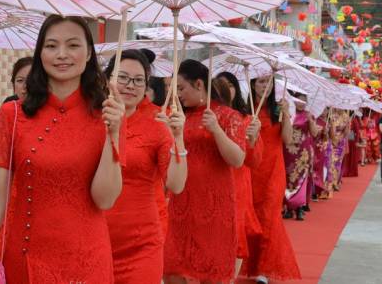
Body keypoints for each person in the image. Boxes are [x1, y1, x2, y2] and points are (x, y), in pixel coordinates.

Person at [0, 15, 126, 284]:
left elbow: (105, 199)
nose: (61, 54)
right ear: (40, 52)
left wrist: (113, 134)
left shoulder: (108, 115)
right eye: (51, 45)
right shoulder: (13, 114)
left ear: (89, 53)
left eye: (73, 45)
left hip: (87, 262)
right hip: (25, 258)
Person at [103, 50, 188, 284]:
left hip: (143, 243)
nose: (130, 85)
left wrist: (178, 138)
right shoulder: (92, 118)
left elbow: (176, 183)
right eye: (122, 77)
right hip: (96, 236)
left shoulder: (158, 122)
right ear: (107, 79)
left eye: (138, 80)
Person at [163, 60, 246, 284]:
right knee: (174, 268)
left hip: (213, 206)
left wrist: (217, 130)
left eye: (181, 88)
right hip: (180, 202)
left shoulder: (228, 116)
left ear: (199, 84)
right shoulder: (181, 117)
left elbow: (237, 159)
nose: (178, 94)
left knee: (211, 271)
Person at [243, 76, 300, 283]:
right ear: (252, 84)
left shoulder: (277, 108)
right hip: (251, 169)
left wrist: (285, 113)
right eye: (260, 82)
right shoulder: (246, 108)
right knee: (251, 217)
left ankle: (264, 270)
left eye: (268, 83)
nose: (264, 87)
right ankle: (248, 266)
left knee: (269, 216)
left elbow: (287, 139)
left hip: (273, 170)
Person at [216, 71, 263, 277]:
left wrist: (252, 140)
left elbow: (254, 161)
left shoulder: (247, 119)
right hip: (214, 183)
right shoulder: (207, 115)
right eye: (220, 84)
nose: (227, 89)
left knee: (235, 236)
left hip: (238, 185)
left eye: (230, 84)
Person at [282, 93, 319, 221]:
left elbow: (314, 133)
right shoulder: (288, 113)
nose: (301, 103)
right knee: (287, 179)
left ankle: (299, 208)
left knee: (301, 179)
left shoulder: (308, 115)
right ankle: (288, 207)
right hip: (288, 150)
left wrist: (312, 121)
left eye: (303, 101)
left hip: (303, 152)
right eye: (298, 100)